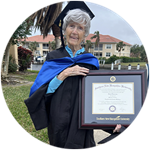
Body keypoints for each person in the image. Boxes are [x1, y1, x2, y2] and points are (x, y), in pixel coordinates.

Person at [25, 0, 125, 149]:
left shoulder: (90, 61)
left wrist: (113, 118)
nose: (74, 31)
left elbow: (99, 96)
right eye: (71, 26)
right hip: (58, 118)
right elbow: (43, 93)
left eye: (80, 28)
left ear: (85, 34)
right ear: (64, 29)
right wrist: (63, 75)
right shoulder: (53, 58)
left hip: (82, 120)